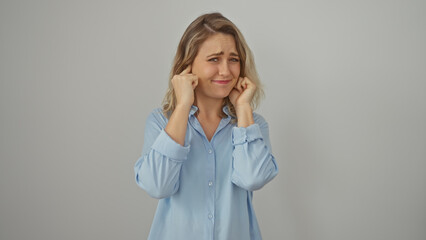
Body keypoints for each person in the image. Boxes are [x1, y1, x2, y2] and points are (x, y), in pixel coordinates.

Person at [134, 12, 278, 240]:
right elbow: (157, 186)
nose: (226, 71)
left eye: (233, 59)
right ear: (188, 65)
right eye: (214, 59)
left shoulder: (252, 124)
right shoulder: (161, 122)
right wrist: (183, 106)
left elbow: (253, 178)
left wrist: (242, 107)